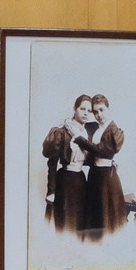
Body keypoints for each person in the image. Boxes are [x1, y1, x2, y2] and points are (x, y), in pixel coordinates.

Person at [73, 94, 135, 241]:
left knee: (106, 216)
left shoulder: (114, 130)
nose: (98, 115)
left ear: (108, 109)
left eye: (101, 110)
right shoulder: (96, 128)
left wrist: (79, 138)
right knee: (94, 215)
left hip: (106, 178)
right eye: (95, 112)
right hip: (95, 175)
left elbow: (101, 151)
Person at [43, 95, 97, 238]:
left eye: (89, 111)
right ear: (75, 109)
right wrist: (51, 191)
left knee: (80, 225)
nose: (86, 113)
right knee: (65, 223)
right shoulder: (61, 132)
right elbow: (52, 163)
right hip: (65, 182)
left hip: (81, 181)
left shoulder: (89, 132)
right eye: (82, 109)